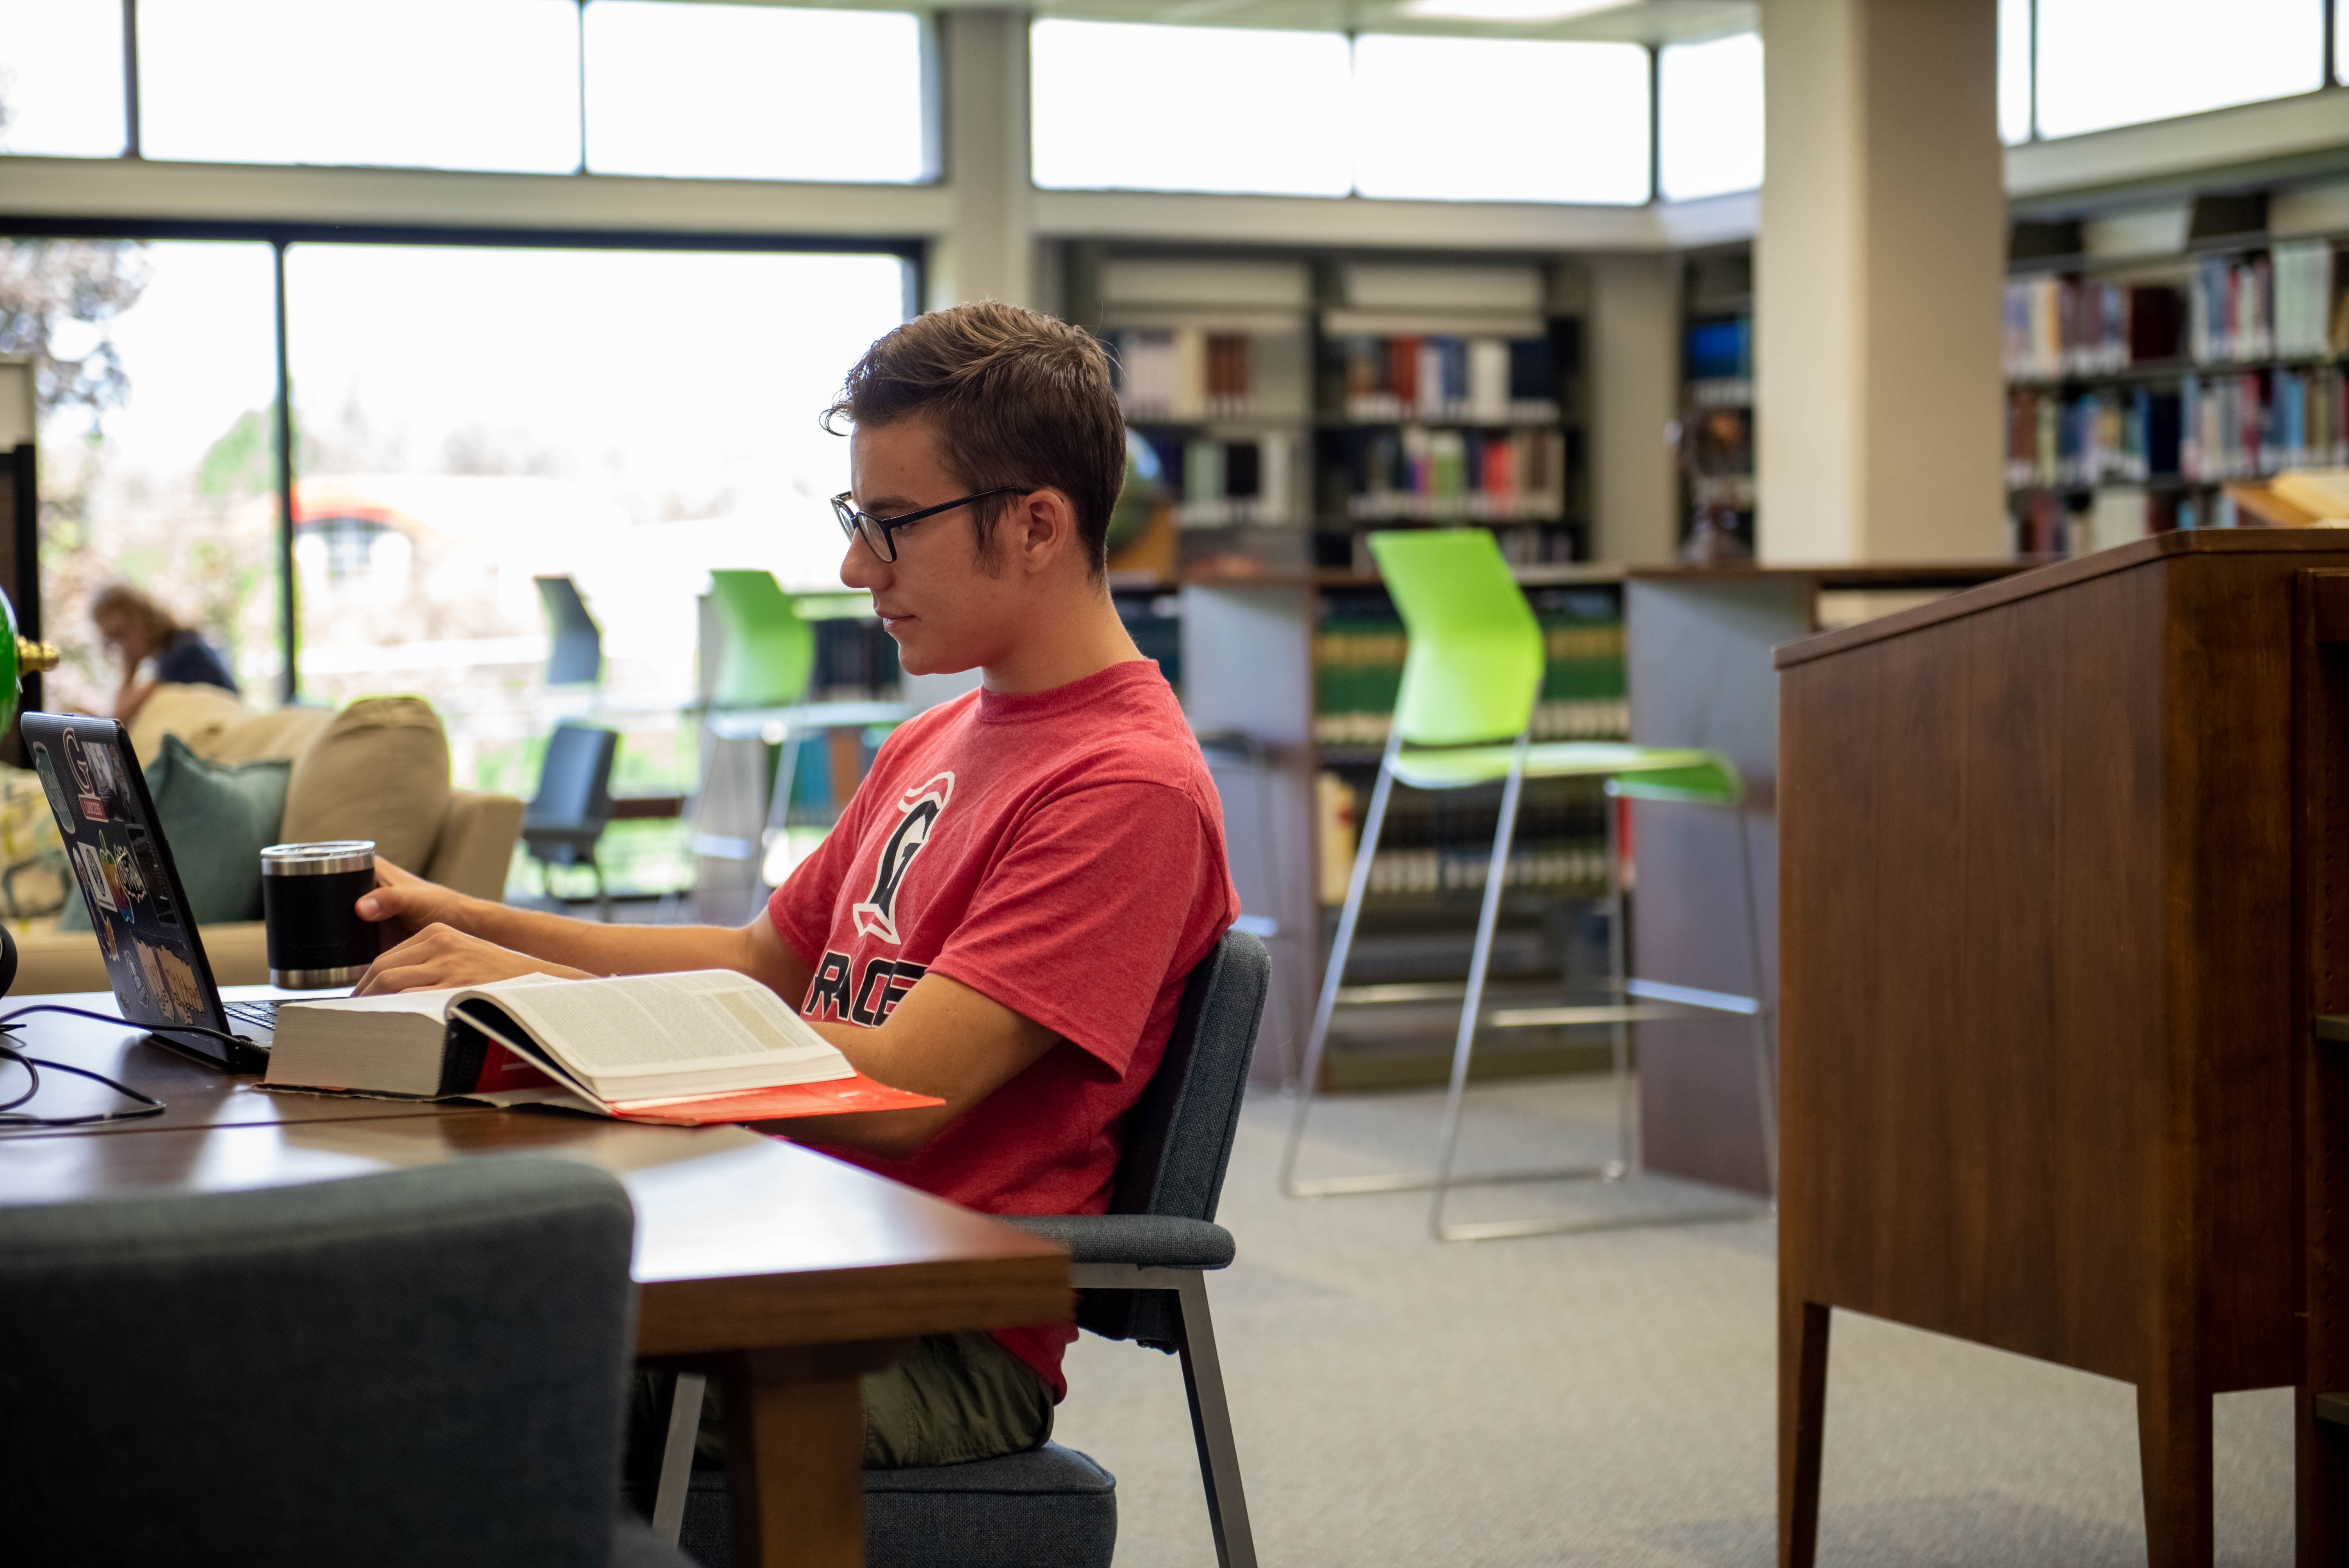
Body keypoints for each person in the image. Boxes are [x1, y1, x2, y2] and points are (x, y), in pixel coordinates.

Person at [348, 301, 1239, 1468]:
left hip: (923, 1331)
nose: (855, 565)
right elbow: (761, 962)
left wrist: (534, 1004)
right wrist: (468, 916)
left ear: (1035, 525)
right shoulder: (941, 738)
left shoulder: (1126, 791)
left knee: (428, 1362)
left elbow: (904, 1096)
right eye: (855, 519)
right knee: (400, 1297)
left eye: (894, 525)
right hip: (791, 1239)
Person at [90, 583, 238, 723]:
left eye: (122, 634)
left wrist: (130, 666)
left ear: (141, 619)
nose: (121, 648)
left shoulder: (182, 652)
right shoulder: (169, 651)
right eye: (112, 641)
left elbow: (121, 716)